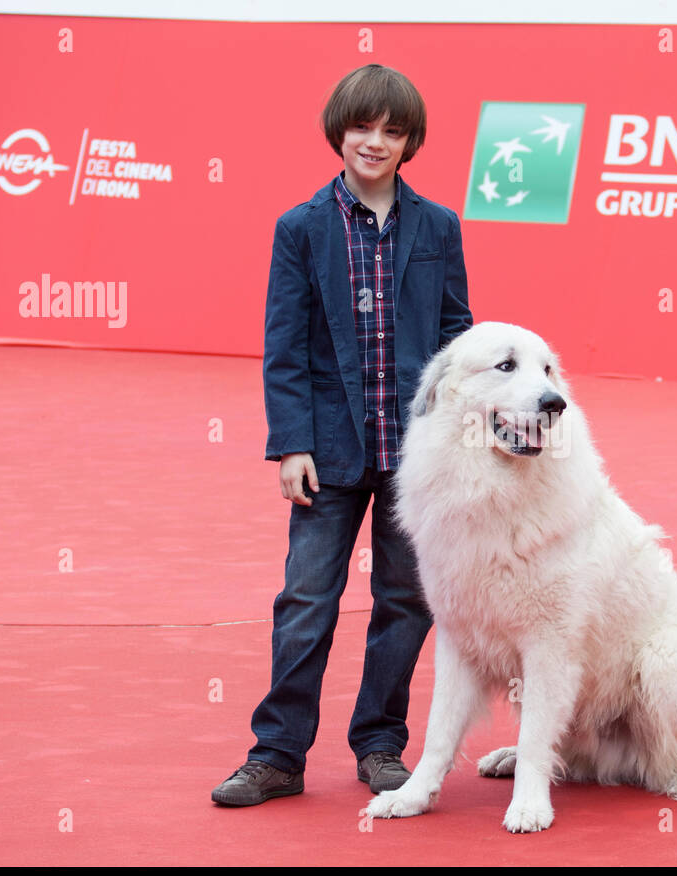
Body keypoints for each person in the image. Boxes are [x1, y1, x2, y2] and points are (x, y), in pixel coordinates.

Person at [212, 63, 472, 806]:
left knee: (407, 601)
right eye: (364, 126)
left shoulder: (439, 227)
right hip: (325, 454)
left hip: (417, 460)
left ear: (410, 141)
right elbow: (284, 345)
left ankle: (381, 746)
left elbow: (458, 336)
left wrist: (457, 439)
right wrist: (290, 444)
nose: (376, 141)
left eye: (393, 131)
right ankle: (277, 755)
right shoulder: (301, 229)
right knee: (306, 600)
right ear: (340, 131)